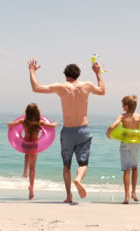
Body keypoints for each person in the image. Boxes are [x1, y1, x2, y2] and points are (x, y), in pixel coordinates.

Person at [28, 58, 106, 203]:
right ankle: (78, 179)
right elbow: (102, 91)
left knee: (66, 165)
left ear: (66, 75)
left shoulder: (61, 87)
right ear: (78, 75)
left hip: (68, 131)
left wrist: (32, 71)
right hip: (84, 129)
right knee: (83, 164)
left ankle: (69, 195)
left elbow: (36, 88)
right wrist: (97, 73)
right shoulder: (87, 85)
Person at [106, 95, 140, 204]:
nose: (121, 106)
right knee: (134, 168)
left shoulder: (122, 116)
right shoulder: (139, 117)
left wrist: (108, 134)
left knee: (126, 170)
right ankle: (134, 192)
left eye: (122, 104)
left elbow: (112, 126)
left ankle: (126, 197)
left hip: (125, 143)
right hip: (136, 144)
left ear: (126, 106)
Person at [7, 103, 58, 200]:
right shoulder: (40, 123)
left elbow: (9, 124)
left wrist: (13, 125)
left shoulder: (23, 122)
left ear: (27, 112)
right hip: (34, 145)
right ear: (37, 112)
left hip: (25, 144)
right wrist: (56, 123)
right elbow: (52, 126)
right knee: (33, 168)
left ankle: (25, 170)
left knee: (26, 154)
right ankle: (31, 186)